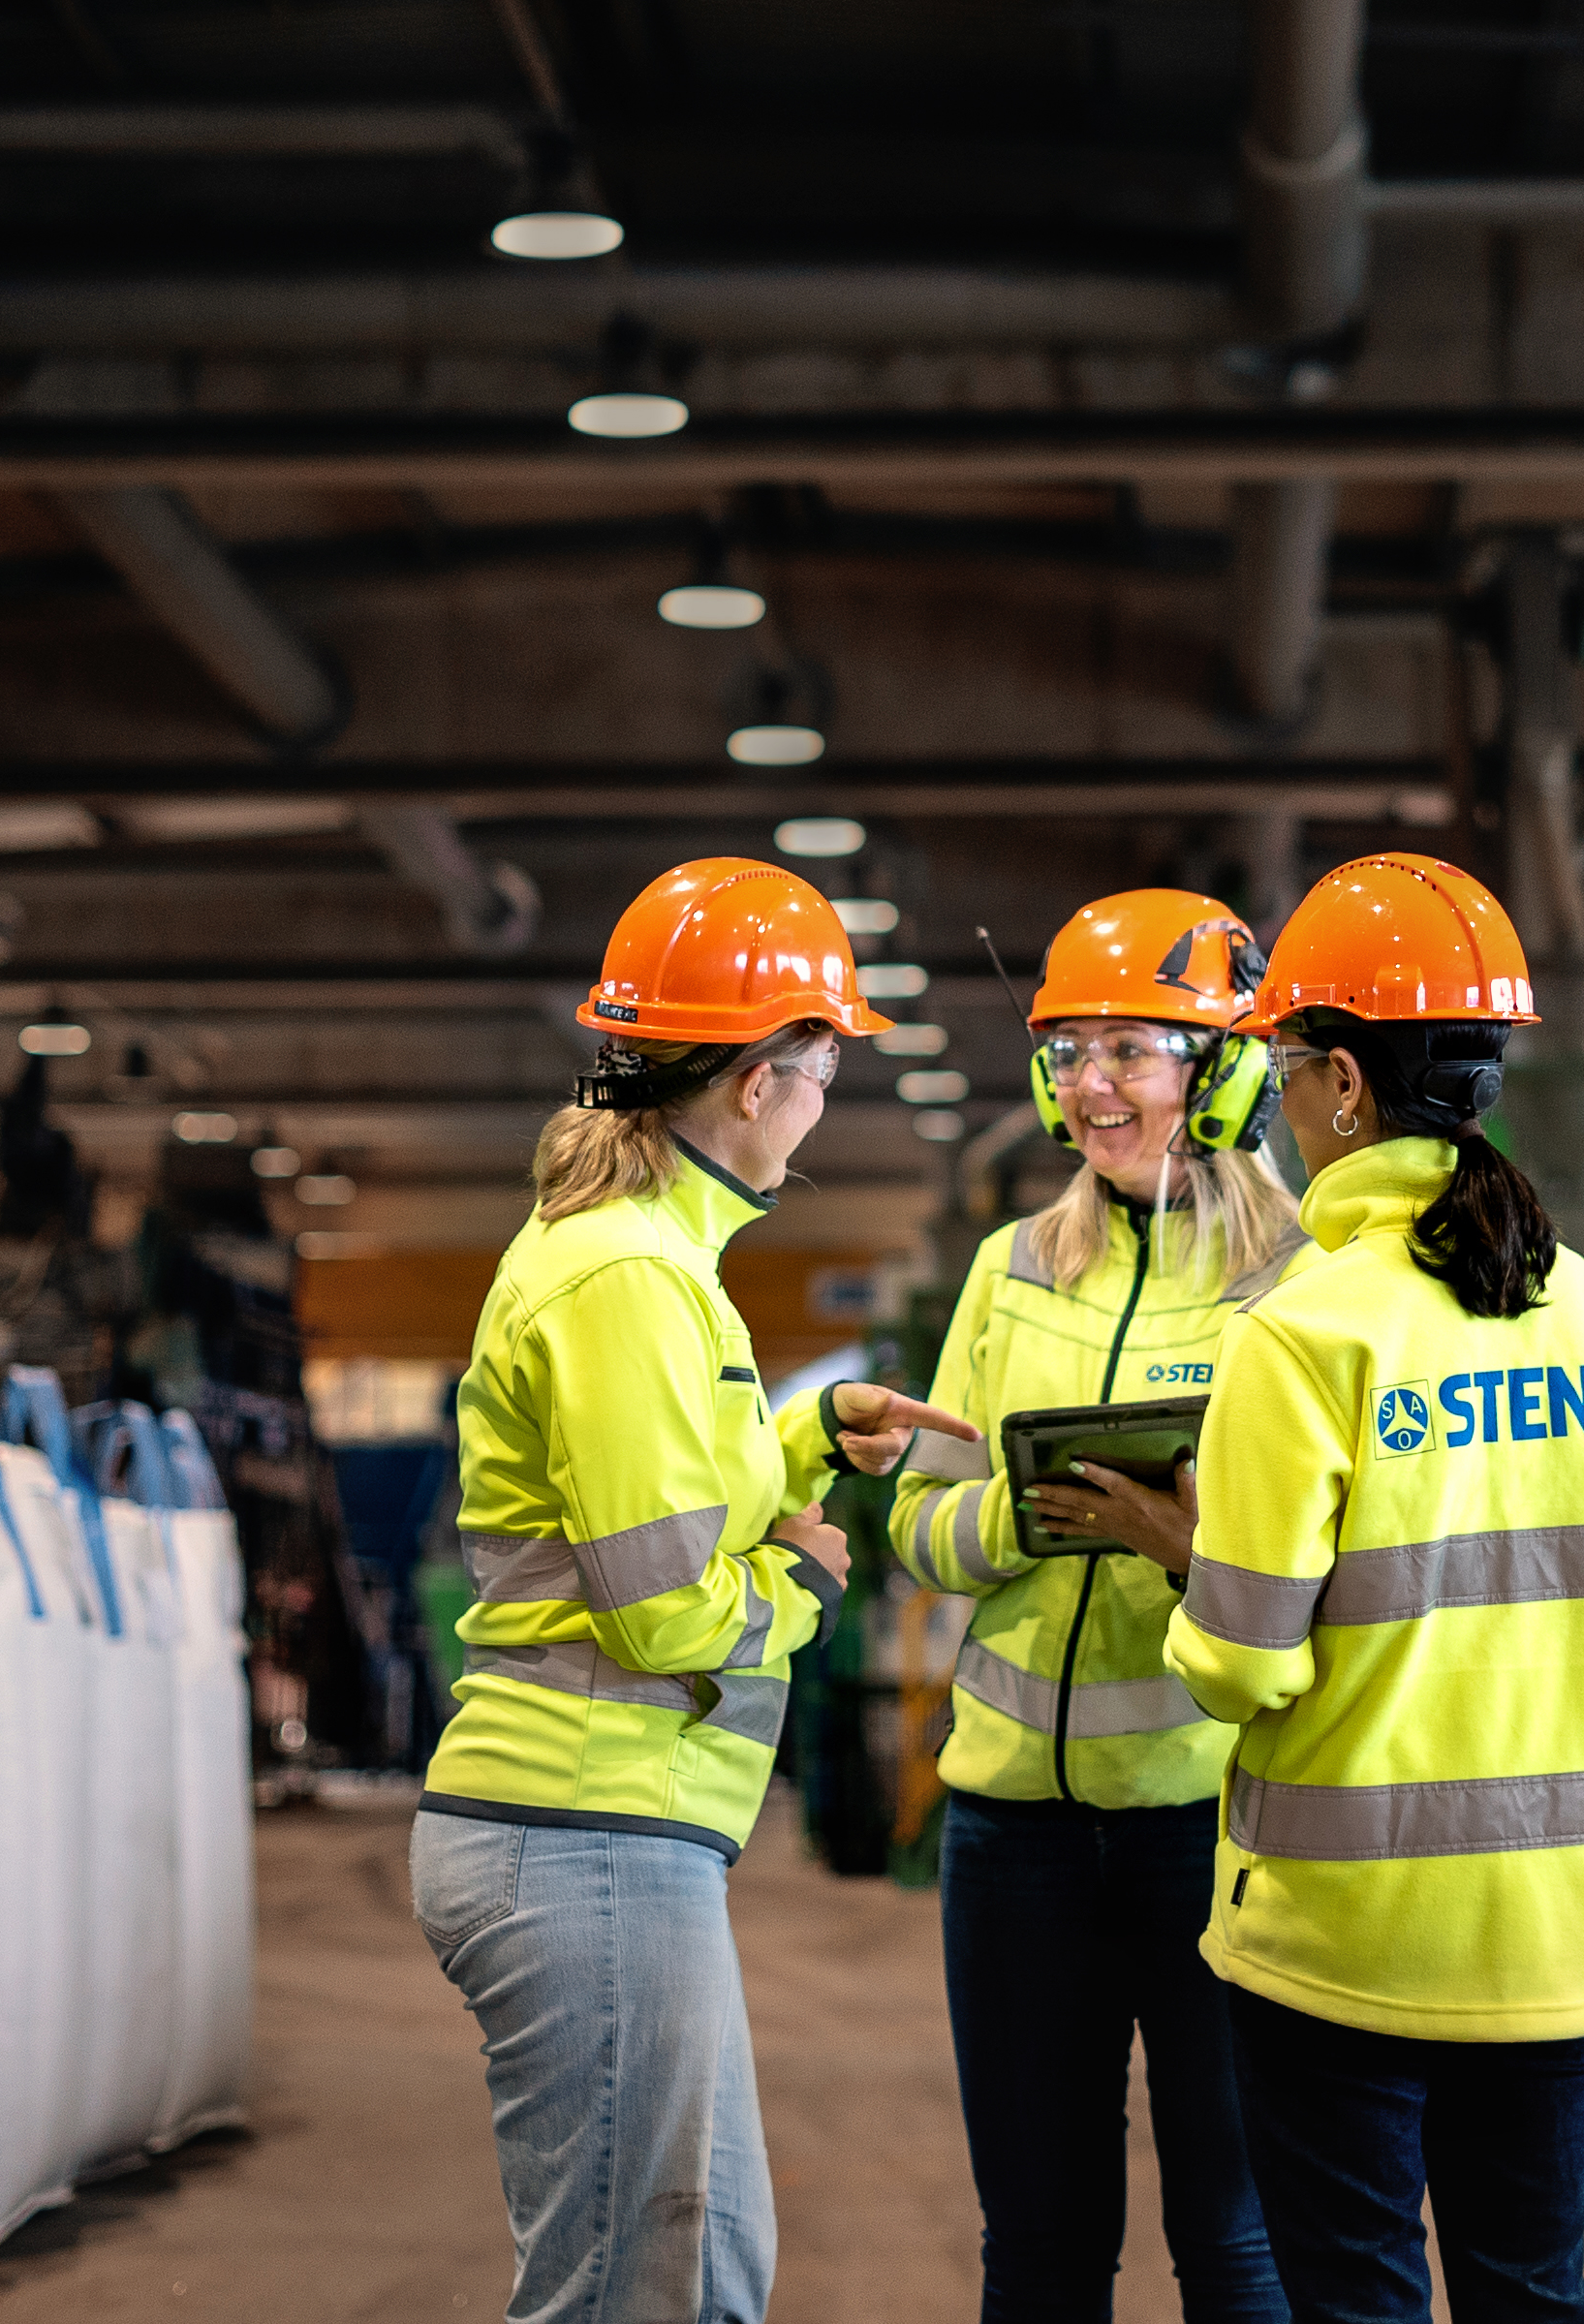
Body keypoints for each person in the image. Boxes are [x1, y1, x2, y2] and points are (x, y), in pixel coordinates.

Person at [1078, 850, 1584, 2324]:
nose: (1280, 1106)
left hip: (1347, 1944)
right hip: (1564, 1926)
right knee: (1532, 2291)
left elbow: (1242, 1667)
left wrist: (1192, 1561)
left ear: (1347, 1087)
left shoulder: (1306, 1336)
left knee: (1358, 2305)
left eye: (1289, 1069)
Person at [415, 855, 979, 2324]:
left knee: (695, 2279)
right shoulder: (631, 1281)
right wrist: (798, 1580)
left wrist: (810, 1437)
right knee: (643, 2293)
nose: (823, 1099)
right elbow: (665, 1608)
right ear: (757, 1079)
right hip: (585, 1828)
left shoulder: (650, 1263)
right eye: (822, 1066)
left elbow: (655, 1494)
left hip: (605, 1832)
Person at [887, 889, 1304, 2324]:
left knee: (1238, 2245)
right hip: (1015, 1841)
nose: (1093, 1085)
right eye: (1069, 1050)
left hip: (1216, 1824)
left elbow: (1336, 1564)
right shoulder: (1011, 1274)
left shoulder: (1295, 1287)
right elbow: (918, 1525)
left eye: (1133, 1047)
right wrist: (1022, 1517)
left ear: (1229, 1071)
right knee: (1041, 2252)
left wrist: (1192, 1545)